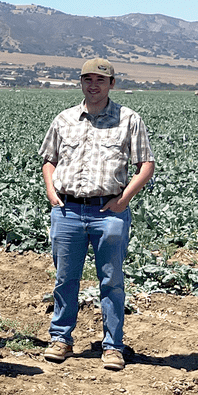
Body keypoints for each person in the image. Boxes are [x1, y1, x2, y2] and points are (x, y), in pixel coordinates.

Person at [39, 58, 155, 372]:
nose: (93, 85)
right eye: (88, 79)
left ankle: (113, 346)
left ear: (112, 84)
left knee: (112, 280)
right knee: (65, 279)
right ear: (81, 82)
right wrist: (52, 193)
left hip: (109, 213)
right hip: (68, 210)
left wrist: (124, 199)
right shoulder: (64, 119)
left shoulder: (129, 119)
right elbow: (48, 159)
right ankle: (60, 339)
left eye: (100, 80)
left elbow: (146, 164)